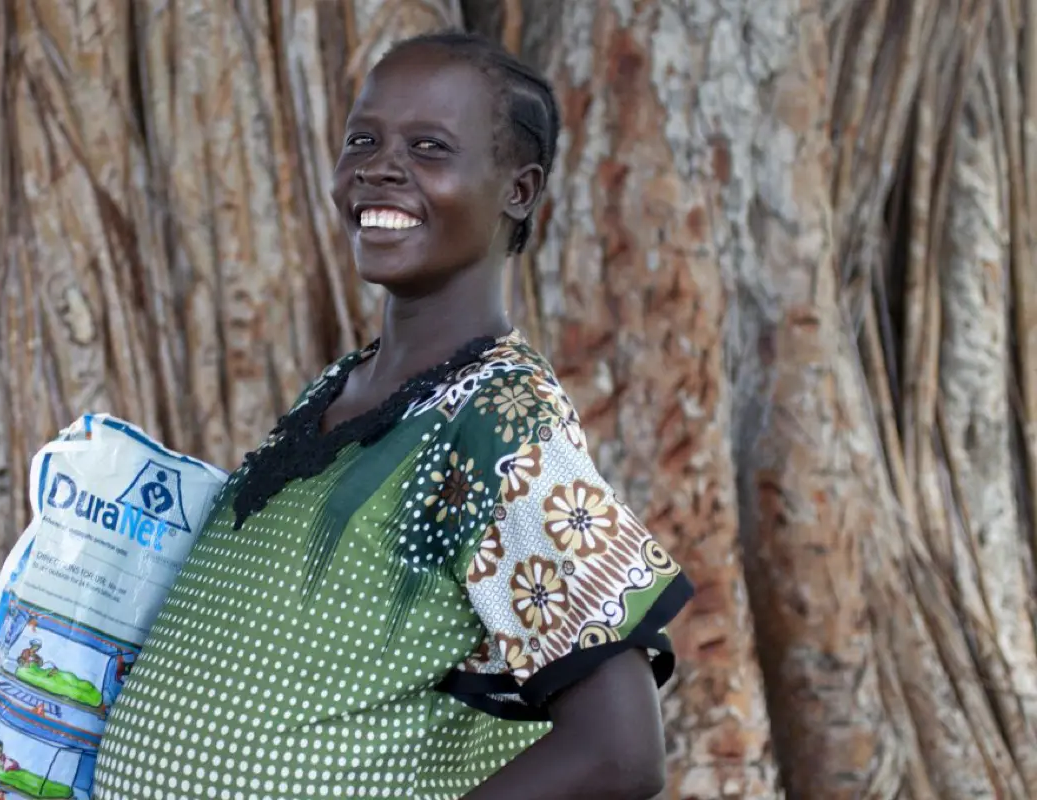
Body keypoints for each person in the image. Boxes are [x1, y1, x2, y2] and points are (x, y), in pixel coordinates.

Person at [92, 29, 694, 800]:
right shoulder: (338, 389)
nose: (378, 167)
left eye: (430, 147)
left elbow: (619, 752)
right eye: (362, 140)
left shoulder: (496, 418)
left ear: (518, 189)